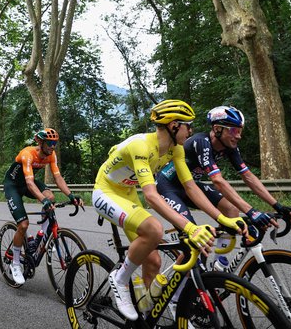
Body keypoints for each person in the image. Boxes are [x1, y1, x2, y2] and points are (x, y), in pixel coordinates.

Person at [93, 100, 245, 321]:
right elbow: (152, 196)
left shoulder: (176, 149)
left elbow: (190, 186)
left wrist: (223, 218)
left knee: (153, 260)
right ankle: (120, 279)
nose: (191, 130)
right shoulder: (141, 146)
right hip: (106, 191)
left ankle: (145, 316)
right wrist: (191, 228)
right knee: (154, 229)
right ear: (174, 125)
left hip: (127, 192)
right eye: (188, 125)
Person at [156, 105, 291, 250]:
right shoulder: (201, 142)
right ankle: (187, 272)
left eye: (240, 131)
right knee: (198, 240)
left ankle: (219, 263)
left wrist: (278, 206)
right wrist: (251, 211)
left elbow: (248, 176)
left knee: (231, 210)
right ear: (217, 129)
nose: (238, 136)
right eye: (234, 130)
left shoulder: (230, 147)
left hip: (190, 187)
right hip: (168, 187)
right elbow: (218, 181)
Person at [2, 128, 83, 286]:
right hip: (13, 185)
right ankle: (16, 264)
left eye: (55, 143)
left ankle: (42, 235)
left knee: (51, 197)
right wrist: (42, 200)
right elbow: (30, 183)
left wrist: (71, 196)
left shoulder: (51, 155)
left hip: (27, 183)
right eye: (50, 143)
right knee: (23, 224)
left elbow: (58, 178)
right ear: (40, 142)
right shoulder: (28, 154)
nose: (53, 147)